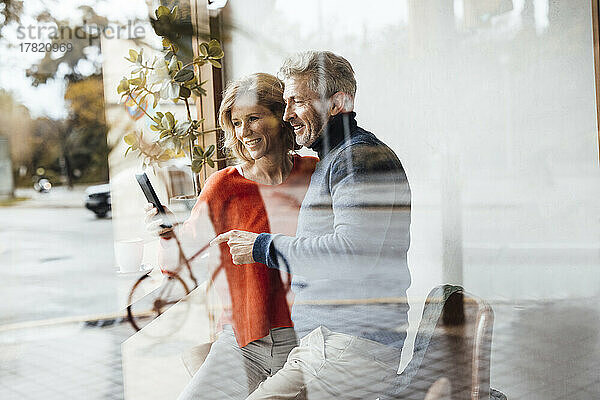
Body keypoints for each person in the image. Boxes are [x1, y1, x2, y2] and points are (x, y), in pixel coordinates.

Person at [212, 51, 412, 399]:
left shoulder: (358, 158)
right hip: (330, 345)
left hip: (347, 347)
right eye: (287, 103)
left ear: (338, 103)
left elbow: (352, 253)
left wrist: (261, 246)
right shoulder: (335, 159)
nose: (287, 115)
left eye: (298, 102)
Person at [145, 73, 317, 399]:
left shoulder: (313, 172)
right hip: (241, 342)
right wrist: (167, 234)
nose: (244, 132)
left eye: (253, 118)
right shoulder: (223, 186)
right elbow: (181, 266)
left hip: (304, 339)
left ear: (281, 118)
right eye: (236, 123)